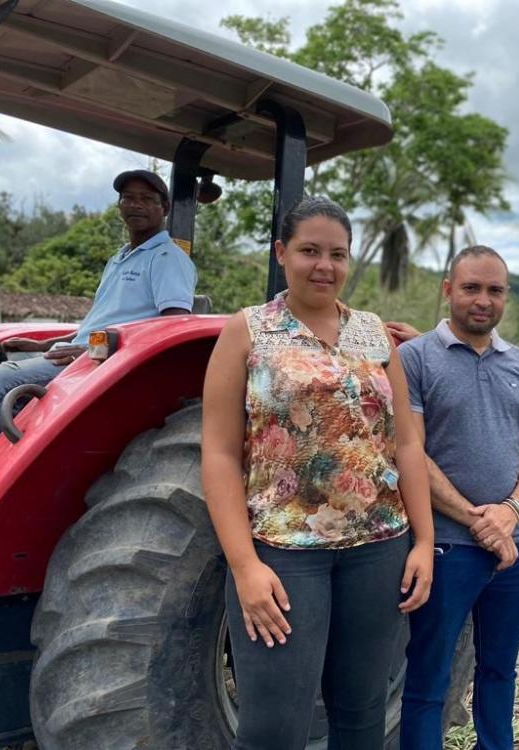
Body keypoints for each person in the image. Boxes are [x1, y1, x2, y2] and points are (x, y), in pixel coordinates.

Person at [200, 196, 434, 750]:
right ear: (282, 253)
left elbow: (405, 441)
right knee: (273, 726)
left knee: (360, 714)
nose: (324, 265)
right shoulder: (249, 331)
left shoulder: (373, 334)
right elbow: (219, 454)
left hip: (378, 551)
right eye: (309, 250)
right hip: (283, 555)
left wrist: (423, 542)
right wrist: (244, 566)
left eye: (337, 254)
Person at [397, 245, 519, 750]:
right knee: (428, 683)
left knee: (499, 672)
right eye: (471, 288)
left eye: (495, 290)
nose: (482, 300)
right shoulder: (414, 359)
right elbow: (411, 452)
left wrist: (508, 514)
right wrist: (475, 521)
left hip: (517, 551)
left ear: (506, 297)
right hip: (446, 549)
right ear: (448, 291)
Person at [0, 169, 197, 452]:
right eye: (128, 198)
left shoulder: (167, 258)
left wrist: (93, 352)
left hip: (103, 363)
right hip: (85, 352)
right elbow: (104, 322)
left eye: (146, 199)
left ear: (164, 208)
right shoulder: (120, 258)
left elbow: (172, 326)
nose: (136, 205)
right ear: (120, 206)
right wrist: (43, 343)